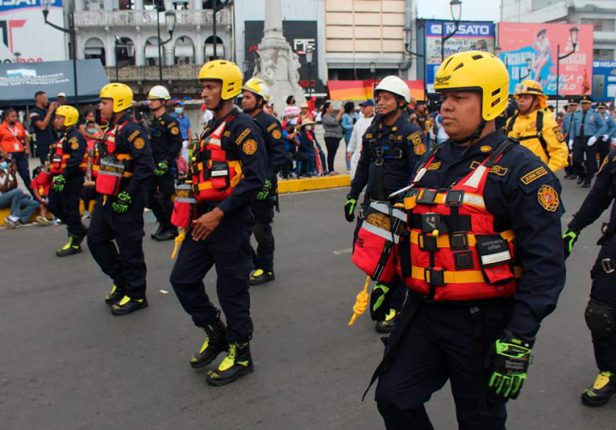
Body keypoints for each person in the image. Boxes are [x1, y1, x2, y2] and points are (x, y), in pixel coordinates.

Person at [372, 51, 565, 429]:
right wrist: (387, 280)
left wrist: (520, 337)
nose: (446, 106)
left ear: (491, 101)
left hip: (483, 321)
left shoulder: (522, 171)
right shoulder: (431, 161)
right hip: (425, 310)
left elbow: (546, 263)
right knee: (393, 397)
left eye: (459, 98)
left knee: (479, 421)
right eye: (444, 97)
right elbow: (412, 231)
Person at [169, 60, 267, 386]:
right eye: (204, 87)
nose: (204, 93)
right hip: (201, 219)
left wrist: (220, 213)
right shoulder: (210, 127)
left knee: (231, 291)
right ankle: (216, 333)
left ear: (228, 88)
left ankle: (241, 353)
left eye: (210, 87)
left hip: (229, 222)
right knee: (182, 279)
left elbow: (255, 178)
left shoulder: (243, 128)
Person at [345, 75, 425, 333]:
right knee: (369, 251)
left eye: (386, 98)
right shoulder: (372, 131)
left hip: (398, 207)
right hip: (373, 204)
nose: (380, 102)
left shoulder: (411, 133)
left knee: (397, 258)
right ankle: (383, 282)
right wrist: (352, 195)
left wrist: (409, 201)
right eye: (378, 97)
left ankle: (395, 305)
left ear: (401, 102)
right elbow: (362, 166)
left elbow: (421, 171)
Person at [87, 82, 154, 316]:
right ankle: (122, 282)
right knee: (95, 240)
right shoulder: (110, 129)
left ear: (118, 104)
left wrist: (128, 194)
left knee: (129, 247)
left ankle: (136, 294)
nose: (100, 107)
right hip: (107, 197)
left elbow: (146, 166)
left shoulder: (132, 130)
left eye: (104, 103)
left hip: (128, 199)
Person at [241, 77, 287, 286]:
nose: (243, 100)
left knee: (261, 229)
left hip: (263, 185)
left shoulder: (270, 123)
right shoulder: (242, 121)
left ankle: (266, 269)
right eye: (243, 97)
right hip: (244, 184)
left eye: (248, 97)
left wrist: (268, 181)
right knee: (240, 229)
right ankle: (253, 264)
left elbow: (280, 156)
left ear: (260, 100)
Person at [47, 105, 88, 257]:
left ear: (68, 119)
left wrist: (63, 176)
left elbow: (76, 159)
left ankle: (75, 240)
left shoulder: (75, 137)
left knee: (71, 208)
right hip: (61, 178)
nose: (55, 120)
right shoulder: (64, 136)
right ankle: (78, 228)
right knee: (54, 204)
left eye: (59, 118)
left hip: (71, 178)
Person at [505, 79, 568, 172]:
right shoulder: (510, 121)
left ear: (536, 101)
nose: (521, 100)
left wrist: (546, 173)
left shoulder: (546, 121)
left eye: (526, 97)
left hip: (537, 176)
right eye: (520, 97)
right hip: (513, 175)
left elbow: (560, 151)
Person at [146, 85, 183, 241]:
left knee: (164, 197)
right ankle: (163, 223)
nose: (150, 102)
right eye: (150, 100)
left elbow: (177, 143)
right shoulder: (153, 122)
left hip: (165, 164)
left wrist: (166, 162)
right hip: (153, 163)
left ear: (163, 102)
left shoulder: (170, 122)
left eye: (154, 100)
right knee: (149, 196)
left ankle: (172, 228)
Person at [571, 97, 607, 188]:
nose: (583, 105)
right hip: (579, 139)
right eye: (582, 103)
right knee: (576, 159)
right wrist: (571, 139)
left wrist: (596, 136)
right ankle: (582, 174)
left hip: (590, 138)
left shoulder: (595, 115)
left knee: (591, 160)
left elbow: (603, 127)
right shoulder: (576, 114)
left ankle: (588, 180)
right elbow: (573, 127)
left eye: (586, 103)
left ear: (590, 104)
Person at [0, 158, 39, 228]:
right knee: (19, 191)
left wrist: (13, 174)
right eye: (1, 162)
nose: (4, 164)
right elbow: (3, 189)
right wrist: (8, 174)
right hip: (1, 200)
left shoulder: (5, 171)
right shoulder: (6, 173)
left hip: (9, 198)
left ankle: (20, 220)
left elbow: (14, 186)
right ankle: (12, 217)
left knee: (34, 203)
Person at [0, 108, 31, 191]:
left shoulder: (19, 125)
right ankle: (11, 195)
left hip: (20, 154)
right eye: (13, 116)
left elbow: (25, 137)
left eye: (16, 116)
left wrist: (27, 148)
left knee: (26, 176)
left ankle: (36, 196)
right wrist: (2, 152)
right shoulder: (1, 127)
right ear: (6, 117)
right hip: (8, 155)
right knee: (10, 177)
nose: (15, 118)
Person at [347, 100, 375, 179]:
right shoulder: (359, 122)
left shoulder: (375, 121)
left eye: (365, 106)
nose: (362, 108)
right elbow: (354, 137)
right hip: (358, 153)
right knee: (355, 175)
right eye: (362, 107)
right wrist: (350, 150)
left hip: (370, 154)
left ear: (372, 107)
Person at [30, 91, 58, 164]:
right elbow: (42, 126)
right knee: (47, 165)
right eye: (45, 99)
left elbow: (55, 125)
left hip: (53, 142)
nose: (47, 101)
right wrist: (50, 111)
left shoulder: (46, 111)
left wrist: (55, 112)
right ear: (39, 99)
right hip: (43, 144)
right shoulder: (34, 112)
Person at [321, 101, 343, 174]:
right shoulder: (325, 116)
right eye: (331, 106)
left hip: (336, 136)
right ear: (327, 108)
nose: (332, 108)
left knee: (333, 153)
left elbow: (339, 120)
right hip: (330, 136)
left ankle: (332, 169)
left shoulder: (332, 115)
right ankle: (330, 169)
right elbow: (334, 122)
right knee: (331, 153)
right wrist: (340, 113)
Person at [563, 99, 579, 179]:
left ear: (577, 106)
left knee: (575, 156)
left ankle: (575, 172)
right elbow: (563, 128)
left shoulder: (579, 115)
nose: (572, 107)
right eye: (571, 105)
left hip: (576, 137)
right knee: (566, 155)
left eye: (574, 105)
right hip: (567, 137)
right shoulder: (567, 116)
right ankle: (568, 171)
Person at [341, 101, 356, 170]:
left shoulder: (355, 114)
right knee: (349, 149)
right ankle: (348, 165)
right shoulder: (345, 116)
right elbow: (344, 125)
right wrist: (352, 126)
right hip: (348, 133)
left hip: (355, 133)